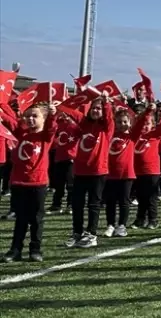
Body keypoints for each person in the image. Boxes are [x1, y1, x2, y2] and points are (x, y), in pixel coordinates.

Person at [1, 99, 57, 262]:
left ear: (43, 119)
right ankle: (15, 250)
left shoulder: (45, 136)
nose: (30, 119)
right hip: (19, 183)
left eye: (35, 116)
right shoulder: (20, 132)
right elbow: (9, 119)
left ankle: (35, 249)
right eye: (27, 116)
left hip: (38, 184)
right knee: (21, 219)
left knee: (36, 219)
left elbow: (52, 128)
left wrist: (53, 115)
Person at [57, 95, 115, 248]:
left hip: (98, 171)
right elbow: (74, 114)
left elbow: (109, 117)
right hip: (80, 171)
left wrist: (106, 103)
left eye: (99, 108)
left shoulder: (106, 127)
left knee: (93, 204)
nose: (96, 110)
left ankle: (91, 234)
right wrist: (60, 106)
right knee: (77, 204)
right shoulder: (83, 124)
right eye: (93, 108)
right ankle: (77, 233)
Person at [103, 107, 138, 238]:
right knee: (110, 201)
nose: (122, 124)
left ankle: (121, 225)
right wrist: (108, 105)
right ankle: (110, 225)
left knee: (124, 201)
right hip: (110, 174)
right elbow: (107, 121)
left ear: (130, 122)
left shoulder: (131, 136)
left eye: (125, 122)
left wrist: (146, 113)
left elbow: (140, 125)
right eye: (119, 122)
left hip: (127, 174)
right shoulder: (110, 135)